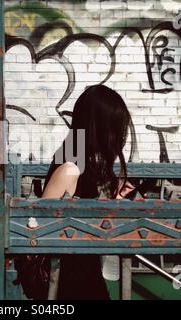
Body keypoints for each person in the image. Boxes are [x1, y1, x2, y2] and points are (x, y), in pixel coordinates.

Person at [41, 84, 135, 300]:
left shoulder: (85, 165)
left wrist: (115, 201)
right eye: (115, 127)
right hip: (68, 284)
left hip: (84, 275)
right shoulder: (69, 168)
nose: (119, 135)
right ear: (101, 126)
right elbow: (41, 234)